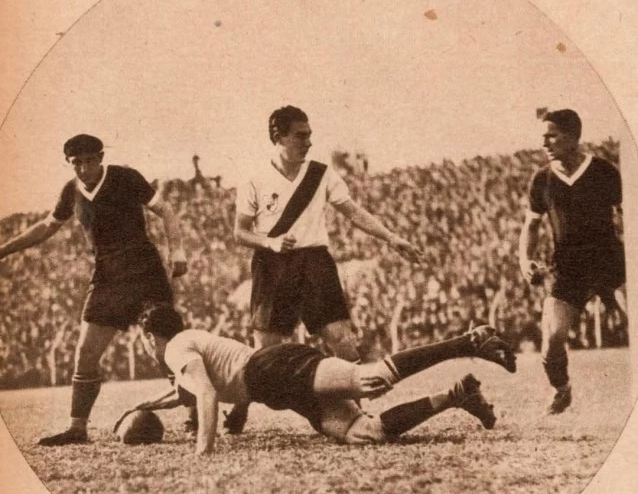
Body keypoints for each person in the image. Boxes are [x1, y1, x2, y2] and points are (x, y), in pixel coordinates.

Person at [228, 105, 423, 432]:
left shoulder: (320, 173)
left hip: (314, 262)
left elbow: (353, 212)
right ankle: (240, 408)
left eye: (309, 135)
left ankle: (357, 413)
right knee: (266, 351)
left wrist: (391, 238)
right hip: (271, 265)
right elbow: (240, 232)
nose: (308, 142)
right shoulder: (254, 178)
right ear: (279, 137)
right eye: (300, 136)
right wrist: (270, 242)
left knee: (341, 338)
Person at [123, 304, 516, 455]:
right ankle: (457, 395)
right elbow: (184, 392)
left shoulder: (175, 349)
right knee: (366, 433)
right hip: (274, 385)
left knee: (370, 380)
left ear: (150, 336)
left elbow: (206, 394)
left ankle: (469, 341)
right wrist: (142, 406)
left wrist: (203, 451)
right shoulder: (186, 343)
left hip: (273, 369)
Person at [0, 134, 189, 445]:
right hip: (106, 276)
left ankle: (195, 413)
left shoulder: (125, 177)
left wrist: (177, 251)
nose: (84, 168)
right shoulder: (71, 191)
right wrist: (5, 249)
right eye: (77, 163)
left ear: (101, 158)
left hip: (144, 270)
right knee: (85, 352)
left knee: (164, 348)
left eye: (90, 160)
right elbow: (47, 226)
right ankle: (77, 428)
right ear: (69, 163)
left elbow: (165, 209)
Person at [518, 109, 626, 414]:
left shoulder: (604, 171)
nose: (544, 143)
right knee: (552, 338)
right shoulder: (542, 179)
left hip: (610, 259)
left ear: (573, 137)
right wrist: (525, 260)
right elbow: (532, 225)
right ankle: (561, 389)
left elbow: (627, 214)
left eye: (551, 136)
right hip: (568, 266)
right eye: (543, 136)